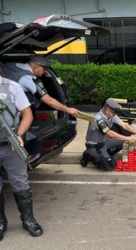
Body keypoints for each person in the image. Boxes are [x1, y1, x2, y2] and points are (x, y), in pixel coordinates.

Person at [0, 72, 43, 241]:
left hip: (11, 145)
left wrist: (19, 135)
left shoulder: (11, 87)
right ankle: (1, 222)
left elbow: (27, 114)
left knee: (20, 183)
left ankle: (28, 219)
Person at [80, 98, 136, 171]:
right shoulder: (98, 119)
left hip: (104, 141)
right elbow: (110, 133)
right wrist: (128, 138)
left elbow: (124, 125)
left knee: (124, 143)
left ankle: (105, 154)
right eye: (114, 112)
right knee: (110, 167)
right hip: (95, 145)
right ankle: (89, 155)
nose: (115, 114)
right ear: (107, 111)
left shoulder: (111, 116)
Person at [1, 56, 79, 117]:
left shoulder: (10, 64)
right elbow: (49, 101)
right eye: (44, 69)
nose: (45, 72)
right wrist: (68, 109)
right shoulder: (28, 79)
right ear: (36, 67)